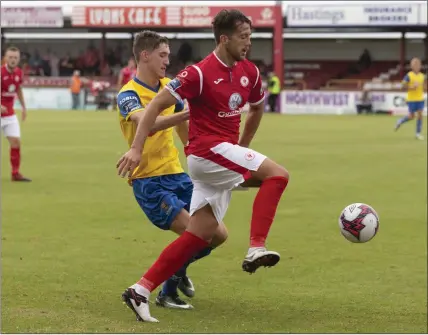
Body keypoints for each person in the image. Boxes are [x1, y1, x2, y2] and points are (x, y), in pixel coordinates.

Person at [116, 10, 290, 322]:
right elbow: (151, 112)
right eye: (243, 37)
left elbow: (258, 106)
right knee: (278, 175)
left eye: (250, 37)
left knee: (204, 233)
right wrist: (136, 147)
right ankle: (256, 247)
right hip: (192, 161)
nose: (248, 43)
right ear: (225, 39)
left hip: (197, 163)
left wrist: (242, 148)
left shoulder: (249, 71)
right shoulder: (196, 73)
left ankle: (140, 290)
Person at [117, 31, 228, 312]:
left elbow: (184, 133)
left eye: (168, 55)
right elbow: (149, 123)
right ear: (145, 55)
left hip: (178, 175)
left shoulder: (169, 87)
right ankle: (166, 291)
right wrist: (190, 112)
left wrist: (200, 156)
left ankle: (177, 272)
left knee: (219, 234)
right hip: (149, 180)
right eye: (162, 55)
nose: (168, 60)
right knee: (196, 234)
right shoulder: (128, 94)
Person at [1, 46, 31, 182]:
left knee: (16, 142)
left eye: (15, 58)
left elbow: (18, 89)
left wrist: (24, 107)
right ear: (6, 58)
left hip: (9, 114)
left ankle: (15, 173)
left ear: (19, 59)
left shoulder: (19, 73)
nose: (13, 60)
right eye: (10, 57)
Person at [395, 57, 426, 140]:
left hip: (420, 99)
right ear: (412, 66)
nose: (417, 66)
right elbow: (402, 86)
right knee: (411, 116)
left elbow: (424, 86)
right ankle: (400, 121)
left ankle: (418, 133)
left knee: (420, 115)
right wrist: (412, 87)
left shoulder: (422, 76)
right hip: (411, 99)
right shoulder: (409, 75)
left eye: (418, 65)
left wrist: (424, 87)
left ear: (420, 66)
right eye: (415, 65)